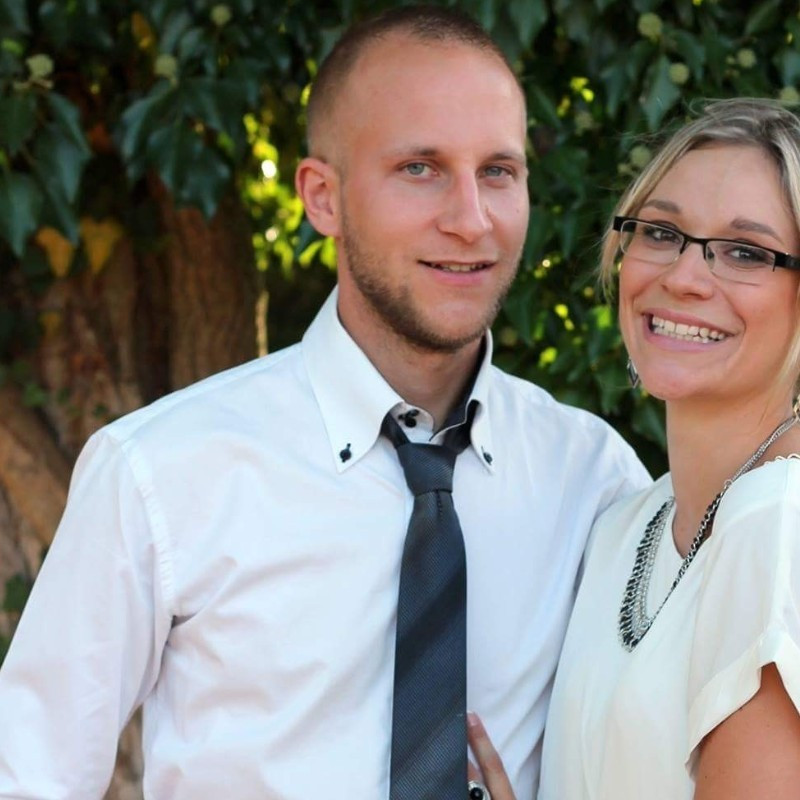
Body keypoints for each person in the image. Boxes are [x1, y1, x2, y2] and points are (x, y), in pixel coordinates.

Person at [0, 6, 649, 799]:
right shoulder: (160, 473)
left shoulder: (594, 481)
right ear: (322, 198)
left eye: (498, 172)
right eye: (420, 168)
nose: (470, 219)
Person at [469, 97, 800, 800]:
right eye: (661, 232)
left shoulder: (781, 528)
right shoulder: (627, 521)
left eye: (745, 252)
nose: (683, 276)